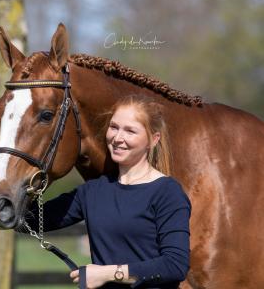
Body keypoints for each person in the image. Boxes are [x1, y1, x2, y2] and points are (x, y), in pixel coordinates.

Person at [26, 94, 191, 289]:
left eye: (130, 131)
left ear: (153, 140)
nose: (118, 138)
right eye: (114, 127)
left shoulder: (167, 192)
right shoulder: (93, 192)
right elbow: (30, 220)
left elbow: (175, 265)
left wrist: (108, 273)